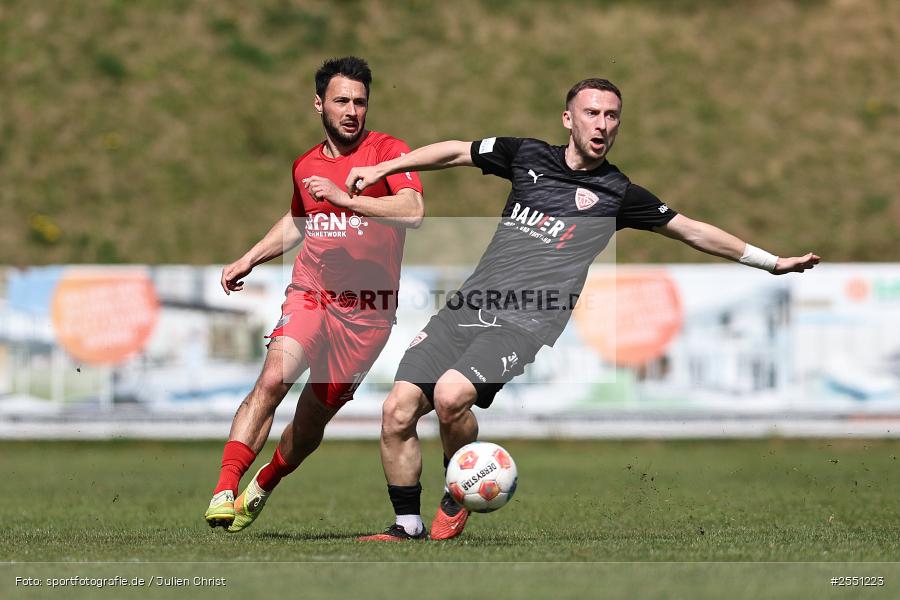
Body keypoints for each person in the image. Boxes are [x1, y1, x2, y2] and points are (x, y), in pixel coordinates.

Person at [342, 78, 820, 541]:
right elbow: (455, 151)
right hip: (470, 303)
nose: (603, 124)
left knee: (449, 396)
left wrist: (771, 262)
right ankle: (406, 527)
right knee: (397, 411)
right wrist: (388, 168)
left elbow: (692, 230)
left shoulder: (619, 194)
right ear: (569, 118)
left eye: (612, 116)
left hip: (526, 320)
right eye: (593, 113)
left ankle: (458, 487)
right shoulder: (525, 155)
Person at [204, 56, 424, 532]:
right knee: (272, 380)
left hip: (367, 314)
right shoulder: (305, 165)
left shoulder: (389, 152)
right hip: (312, 293)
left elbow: (412, 210)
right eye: (342, 100)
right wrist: (250, 257)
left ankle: (264, 481)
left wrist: (348, 199)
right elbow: (299, 221)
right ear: (319, 103)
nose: (352, 110)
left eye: (360, 102)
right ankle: (224, 489)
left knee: (309, 421)